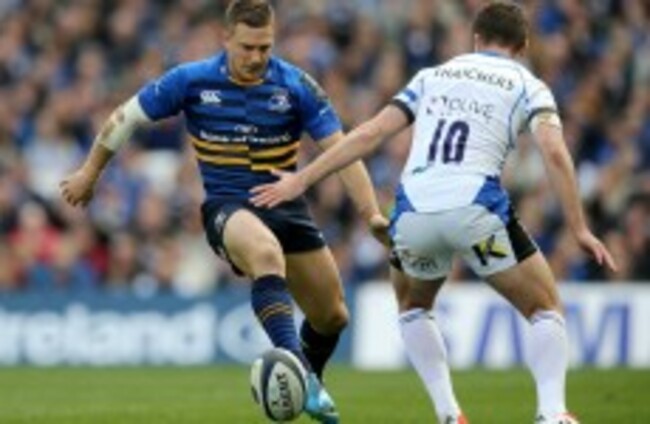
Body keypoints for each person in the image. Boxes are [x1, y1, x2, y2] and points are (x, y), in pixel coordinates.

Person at [250, 2, 618, 424]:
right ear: (523, 46)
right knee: (544, 308)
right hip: (475, 210)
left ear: (476, 38)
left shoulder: (432, 76)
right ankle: (552, 414)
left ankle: (448, 414)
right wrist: (579, 228)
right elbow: (553, 151)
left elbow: (370, 133)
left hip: (413, 213)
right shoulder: (528, 84)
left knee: (413, 305)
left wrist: (302, 179)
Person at [59, 1, 387, 423]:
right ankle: (302, 374)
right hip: (228, 206)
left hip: (286, 204)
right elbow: (126, 118)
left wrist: (370, 213)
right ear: (225, 38)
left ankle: (309, 381)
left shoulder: (296, 84)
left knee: (333, 316)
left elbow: (342, 151)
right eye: (247, 47)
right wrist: (90, 171)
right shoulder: (191, 80)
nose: (256, 57)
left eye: (265, 47)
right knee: (265, 254)